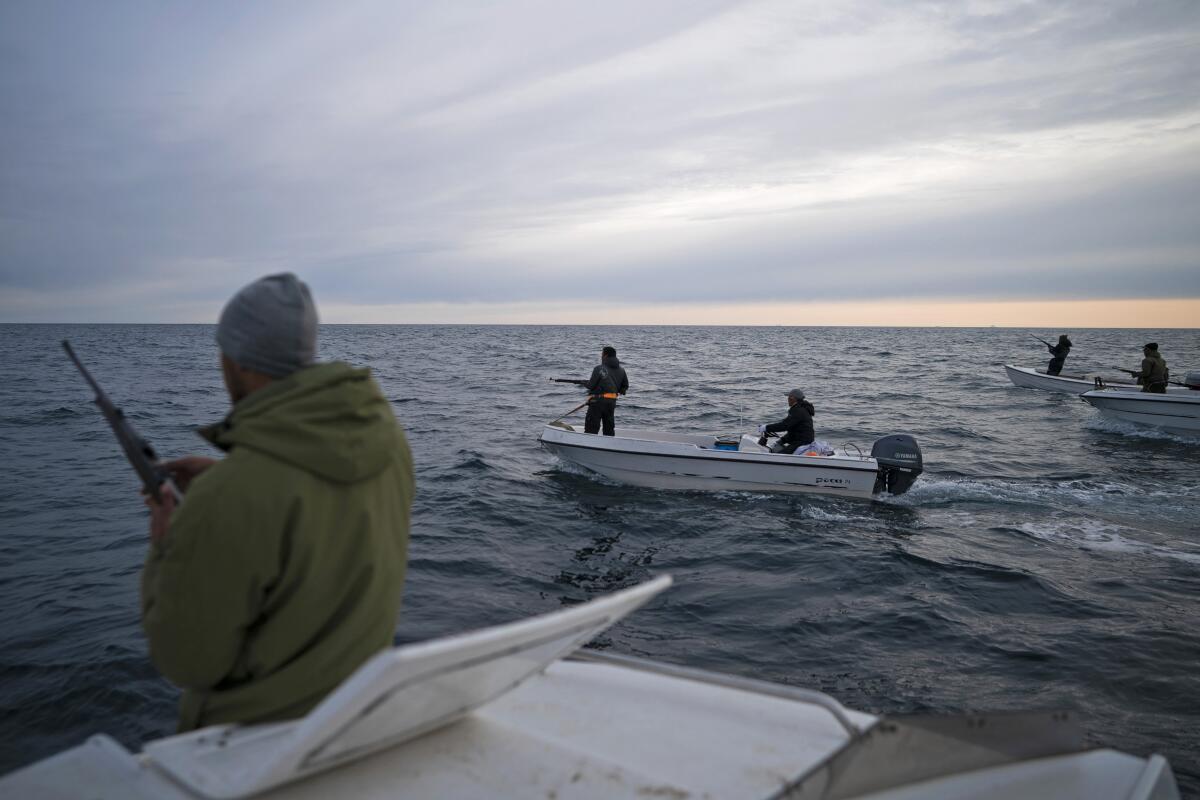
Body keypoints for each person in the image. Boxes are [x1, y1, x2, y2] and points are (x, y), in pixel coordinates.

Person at [141, 273, 415, 732]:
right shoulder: (389, 444)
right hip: (356, 713)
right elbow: (323, 513)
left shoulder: (230, 495)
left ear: (238, 361)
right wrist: (227, 482)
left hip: (258, 738)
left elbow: (186, 662)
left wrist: (167, 544)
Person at [583, 346, 629, 435]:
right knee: (609, 428)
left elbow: (590, 385)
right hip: (611, 402)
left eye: (602, 354)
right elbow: (625, 387)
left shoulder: (599, 368)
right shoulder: (622, 370)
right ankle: (608, 446)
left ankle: (589, 446)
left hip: (597, 402)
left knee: (591, 428)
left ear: (605, 356)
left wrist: (584, 383)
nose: (601, 356)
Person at [758, 389, 816, 454]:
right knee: (776, 449)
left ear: (793, 398)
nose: (787, 399)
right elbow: (794, 431)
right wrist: (782, 440)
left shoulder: (798, 411)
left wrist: (766, 427)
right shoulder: (801, 408)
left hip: (802, 442)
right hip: (803, 440)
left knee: (779, 456)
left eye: (788, 397)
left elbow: (784, 425)